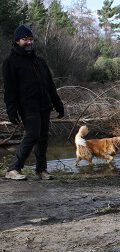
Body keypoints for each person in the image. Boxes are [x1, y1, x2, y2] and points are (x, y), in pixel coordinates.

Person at [2, 24, 64, 180]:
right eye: (25, 39)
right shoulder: (11, 62)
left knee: (43, 137)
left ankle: (41, 170)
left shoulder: (40, 61)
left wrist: (58, 104)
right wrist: (11, 110)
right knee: (33, 134)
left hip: (44, 105)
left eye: (30, 39)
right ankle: (13, 169)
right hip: (27, 106)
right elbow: (10, 89)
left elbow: (50, 85)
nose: (29, 42)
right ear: (17, 41)